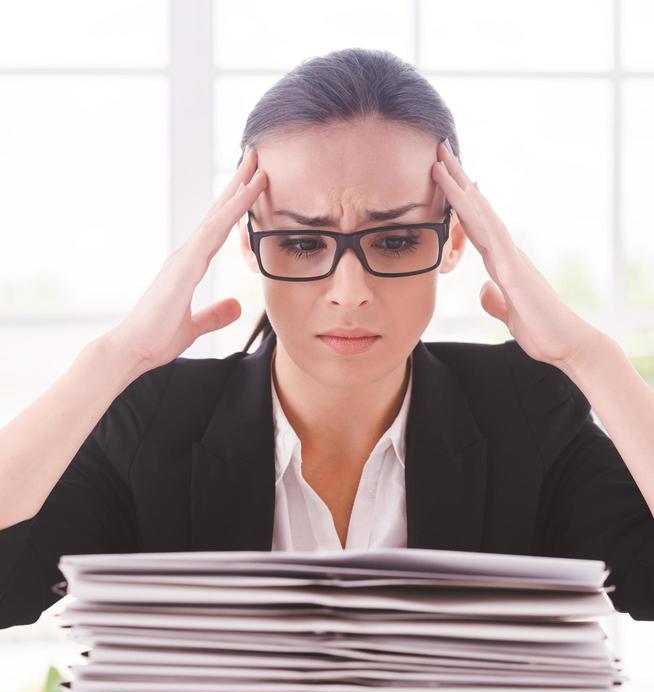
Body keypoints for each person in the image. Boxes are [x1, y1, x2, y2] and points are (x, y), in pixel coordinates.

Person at [1, 47, 653, 631]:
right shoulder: (152, 422)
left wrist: (589, 357)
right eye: (301, 241)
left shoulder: (527, 412)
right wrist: (114, 359)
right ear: (248, 245)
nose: (349, 291)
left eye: (395, 240)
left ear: (455, 239)